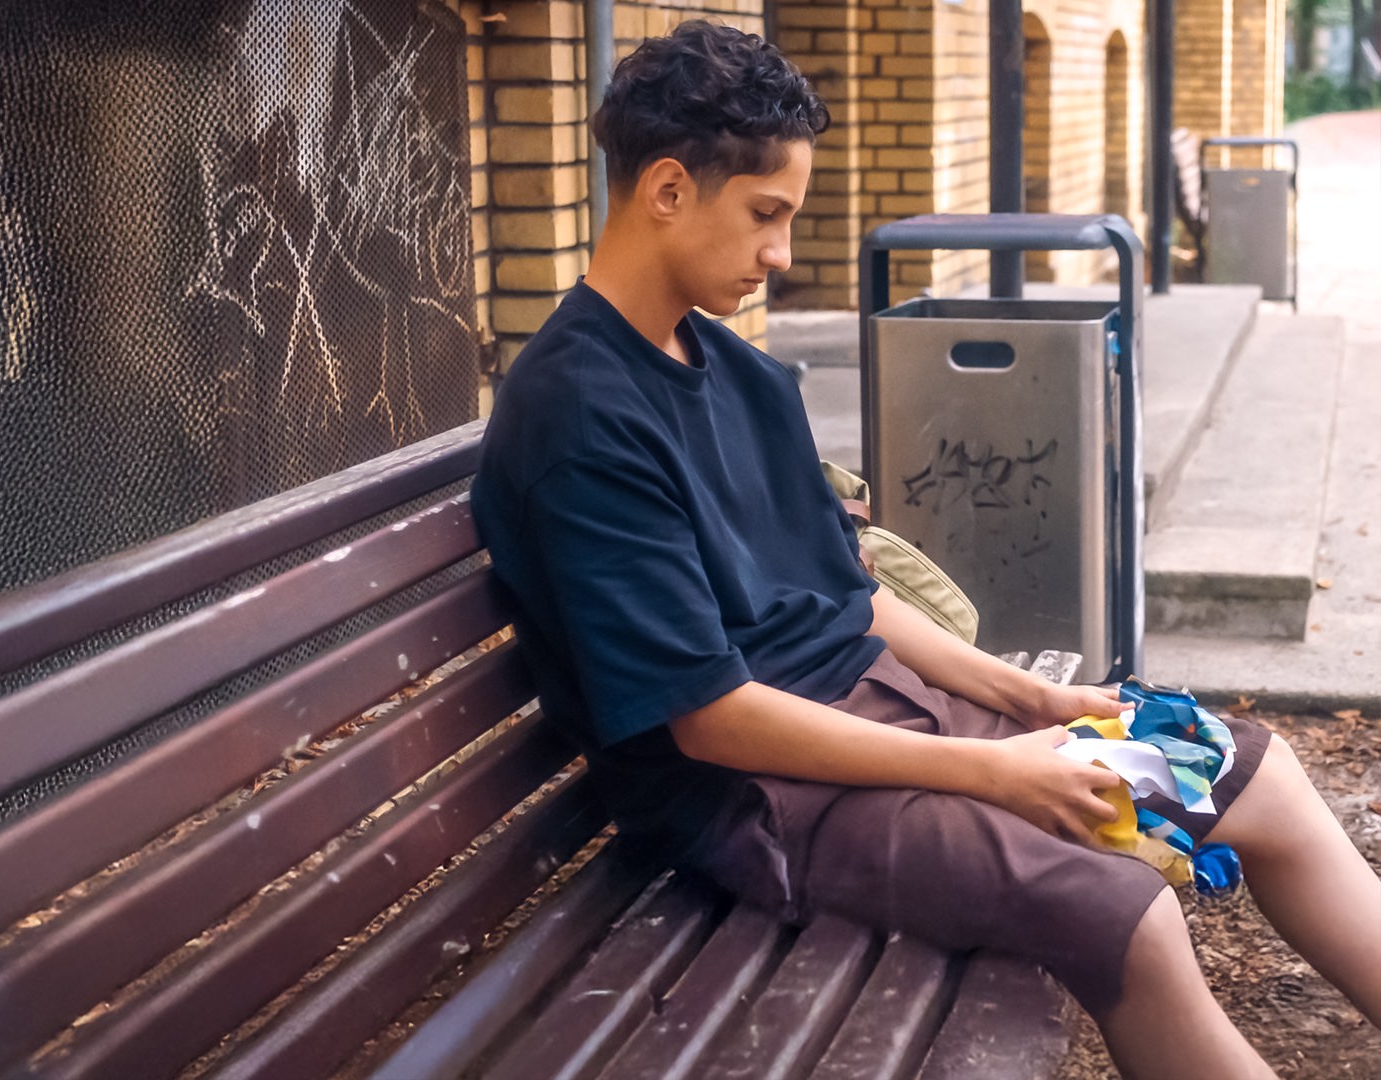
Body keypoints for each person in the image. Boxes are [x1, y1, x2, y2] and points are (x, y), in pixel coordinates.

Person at [468, 20, 1381, 1079]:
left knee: (1253, 777)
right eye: (766, 216)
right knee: (1128, 914)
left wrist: (1031, 703)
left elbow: (850, 597)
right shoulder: (579, 416)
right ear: (668, 190)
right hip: (763, 798)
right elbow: (712, 721)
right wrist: (992, 772)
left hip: (894, 713)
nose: (782, 254)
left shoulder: (736, 370)